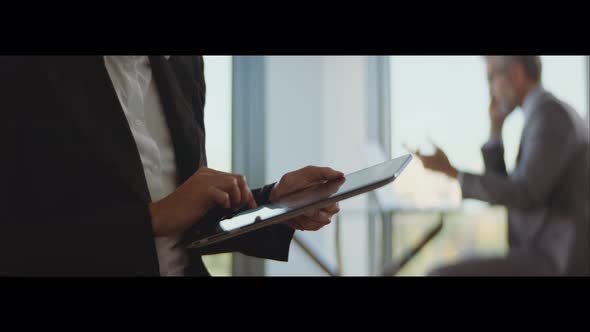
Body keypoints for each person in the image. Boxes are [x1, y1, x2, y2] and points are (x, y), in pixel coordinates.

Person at [0, 55, 342, 276]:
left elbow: (188, 219)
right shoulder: (22, 72)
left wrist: (276, 203)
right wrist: (153, 219)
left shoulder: (184, 65)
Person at [412, 56, 590, 276]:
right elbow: (507, 191)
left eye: (491, 77)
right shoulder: (541, 114)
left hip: (557, 258)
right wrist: (495, 131)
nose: (490, 89)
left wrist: (452, 172)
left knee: (439, 275)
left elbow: (525, 194)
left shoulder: (549, 114)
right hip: (543, 252)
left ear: (515, 73)